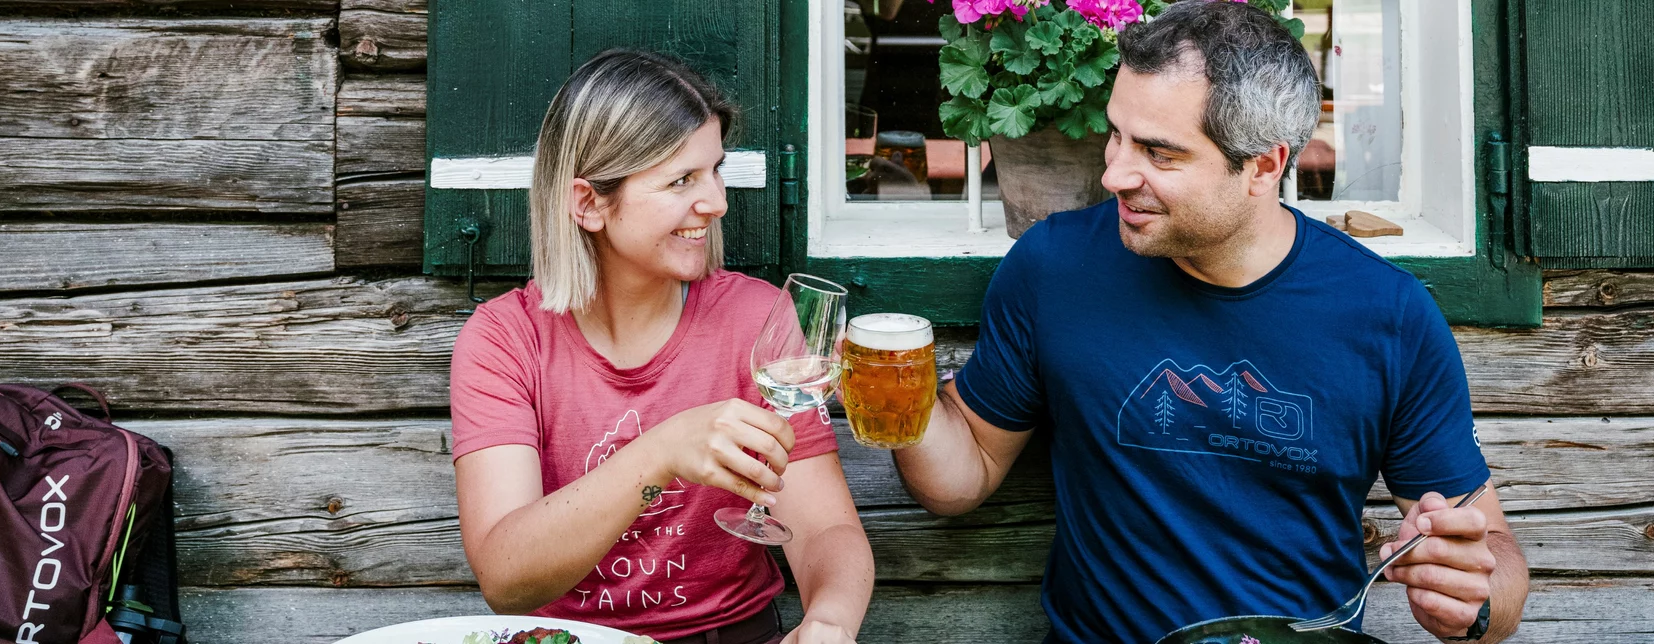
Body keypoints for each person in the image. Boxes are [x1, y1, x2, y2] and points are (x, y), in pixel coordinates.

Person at [891, 2, 1528, 642]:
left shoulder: (1388, 315)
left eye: (1160, 153)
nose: (1114, 173)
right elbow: (961, 473)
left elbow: (1494, 559)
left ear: (1263, 166)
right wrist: (891, 385)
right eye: (1117, 133)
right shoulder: (1055, 267)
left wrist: (1472, 594)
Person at [449, 49, 873, 644]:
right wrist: (662, 453)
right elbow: (505, 578)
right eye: (681, 180)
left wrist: (829, 620)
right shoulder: (505, 340)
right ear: (589, 203)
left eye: (715, 170)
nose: (717, 202)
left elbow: (827, 529)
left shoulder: (753, 319)